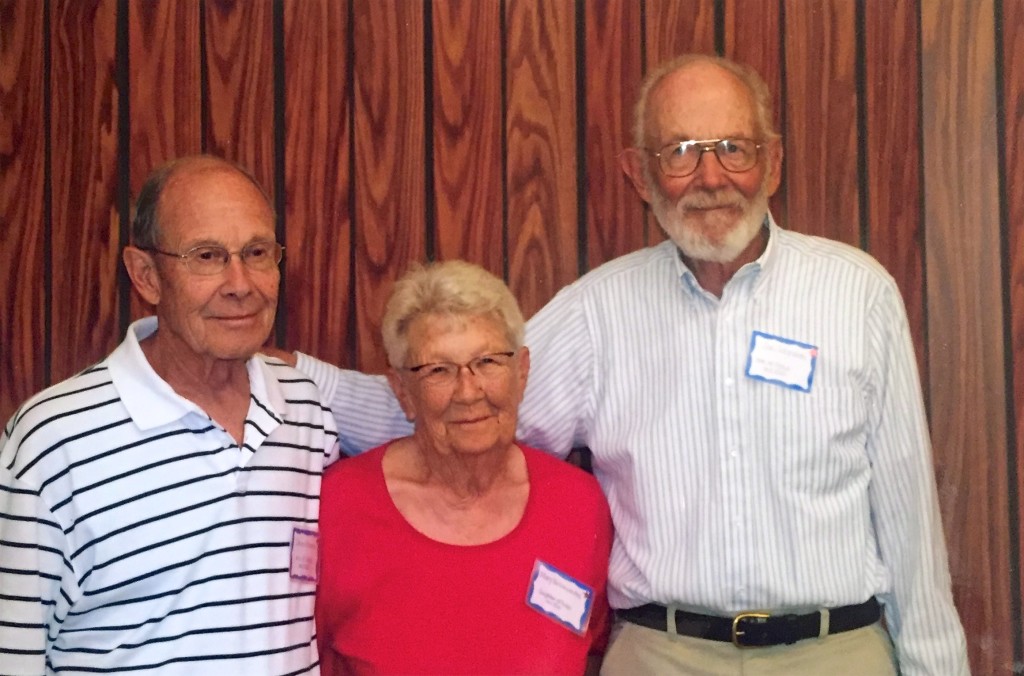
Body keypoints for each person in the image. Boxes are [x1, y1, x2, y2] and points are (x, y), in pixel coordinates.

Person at [295, 54, 969, 674]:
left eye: (733, 148)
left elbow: (912, 529)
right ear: (638, 175)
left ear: (774, 162)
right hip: (661, 655)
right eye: (679, 153)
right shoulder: (598, 312)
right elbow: (466, 403)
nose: (710, 177)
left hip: (837, 653)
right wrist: (290, 380)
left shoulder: (858, 293)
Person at [0, 156, 341, 674]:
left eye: (256, 252)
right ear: (146, 275)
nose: (240, 283)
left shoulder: (306, 411)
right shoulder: (54, 441)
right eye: (207, 256)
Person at [315, 260, 613, 675]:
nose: (468, 392)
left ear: (521, 373)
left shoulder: (577, 505)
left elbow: (597, 650)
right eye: (438, 370)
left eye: (488, 362)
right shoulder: (339, 506)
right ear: (402, 391)